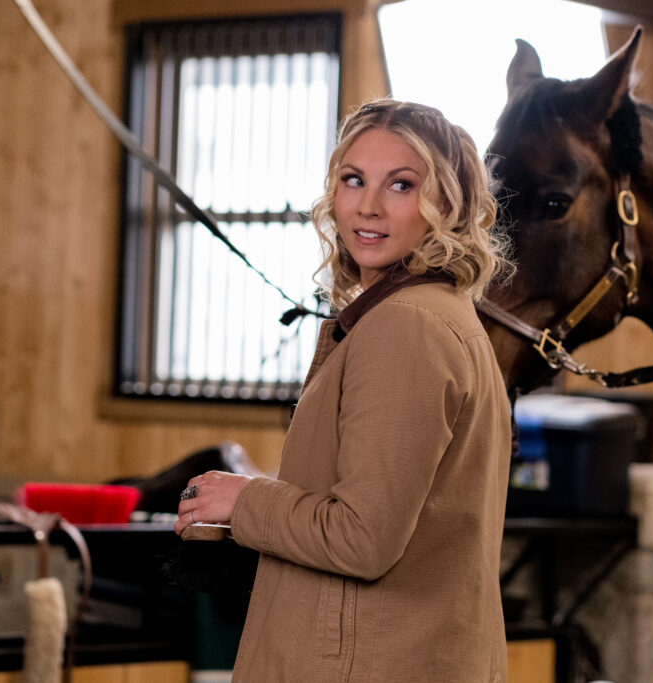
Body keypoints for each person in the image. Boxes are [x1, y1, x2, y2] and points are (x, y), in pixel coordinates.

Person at [175, 99, 514, 682]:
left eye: (402, 185)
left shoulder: (407, 327)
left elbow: (362, 539)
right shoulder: (438, 315)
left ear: (447, 205)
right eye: (353, 179)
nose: (369, 206)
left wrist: (244, 500)